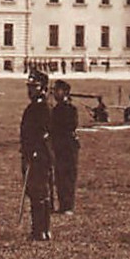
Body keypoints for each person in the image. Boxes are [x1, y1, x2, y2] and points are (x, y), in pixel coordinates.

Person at [19, 71, 54, 241]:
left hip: (38, 156)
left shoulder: (41, 107)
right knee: (38, 193)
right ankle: (42, 229)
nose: (30, 90)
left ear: (43, 88)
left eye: (34, 87)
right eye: (29, 87)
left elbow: (44, 133)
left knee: (38, 192)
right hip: (35, 154)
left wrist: (34, 152)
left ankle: (40, 230)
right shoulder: (35, 105)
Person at [51, 80, 80, 214]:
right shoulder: (55, 109)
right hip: (58, 145)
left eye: (58, 90)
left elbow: (69, 126)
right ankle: (62, 204)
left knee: (68, 175)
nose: (55, 93)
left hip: (68, 146)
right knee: (59, 176)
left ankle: (68, 206)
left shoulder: (70, 109)